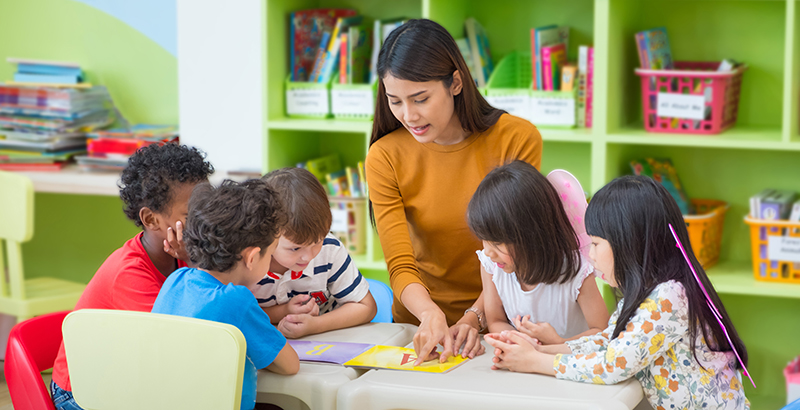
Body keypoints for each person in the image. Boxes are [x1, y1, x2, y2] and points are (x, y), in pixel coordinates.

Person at [485, 175, 750, 409]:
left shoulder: (670, 296)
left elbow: (614, 365)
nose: (590, 255)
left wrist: (535, 361)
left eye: (596, 243)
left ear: (630, 243)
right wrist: (543, 350)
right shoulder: (646, 295)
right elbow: (608, 341)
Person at [366, 18, 542, 365]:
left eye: (420, 99)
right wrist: (430, 314)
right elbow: (400, 264)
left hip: (503, 321)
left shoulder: (516, 139)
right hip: (419, 326)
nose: (408, 115)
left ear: (456, 83)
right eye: (395, 101)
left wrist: (475, 317)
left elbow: (516, 251)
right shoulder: (385, 155)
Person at [50, 143, 214, 410]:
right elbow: (181, 340)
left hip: (129, 373)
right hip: (80, 389)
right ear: (151, 220)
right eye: (191, 214)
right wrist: (197, 261)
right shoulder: (130, 273)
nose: (205, 220)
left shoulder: (182, 252)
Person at [152, 179, 299, 410]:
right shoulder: (235, 300)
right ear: (252, 258)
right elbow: (290, 365)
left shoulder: (175, 280)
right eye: (270, 254)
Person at [466, 161, 609, 344]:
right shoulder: (492, 267)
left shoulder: (576, 272)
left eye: (497, 243)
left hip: (566, 360)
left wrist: (555, 343)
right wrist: (522, 340)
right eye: (484, 239)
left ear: (532, 235)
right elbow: (496, 321)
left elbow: (602, 332)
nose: (488, 252)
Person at [250, 167, 377, 338]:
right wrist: (283, 311)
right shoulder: (249, 261)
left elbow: (366, 306)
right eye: (295, 248)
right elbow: (235, 314)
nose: (308, 257)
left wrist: (316, 325)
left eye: (318, 242)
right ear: (266, 235)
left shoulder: (330, 249)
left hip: (327, 342)